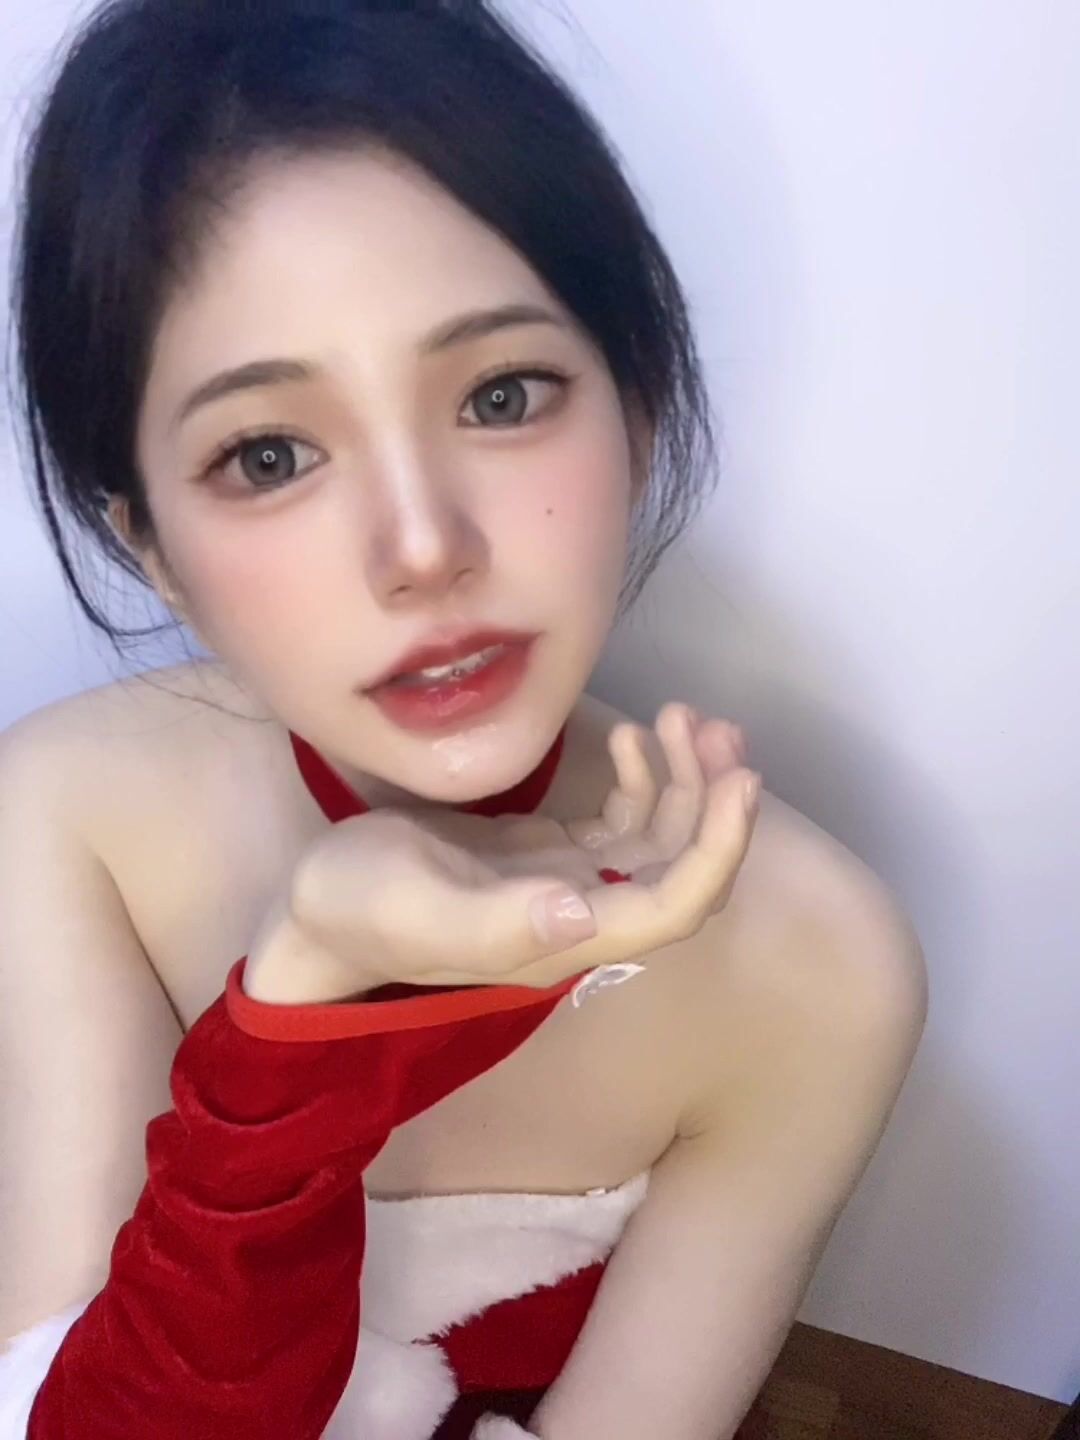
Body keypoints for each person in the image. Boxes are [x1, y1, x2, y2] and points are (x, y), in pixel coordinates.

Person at [0, 2, 929, 1436]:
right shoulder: (69, 818)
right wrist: (301, 1008)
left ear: (639, 412)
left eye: (501, 394)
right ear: (155, 550)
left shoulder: (820, 961)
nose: (424, 547)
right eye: (268, 454)